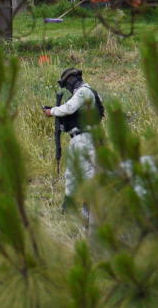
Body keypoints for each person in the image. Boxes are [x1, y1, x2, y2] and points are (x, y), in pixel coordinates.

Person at [43, 67, 105, 211]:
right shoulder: (88, 92)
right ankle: (71, 203)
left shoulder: (83, 92)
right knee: (72, 172)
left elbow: (69, 108)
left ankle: (89, 206)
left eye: (67, 82)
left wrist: (51, 111)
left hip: (85, 138)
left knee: (87, 171)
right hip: (83, 137)